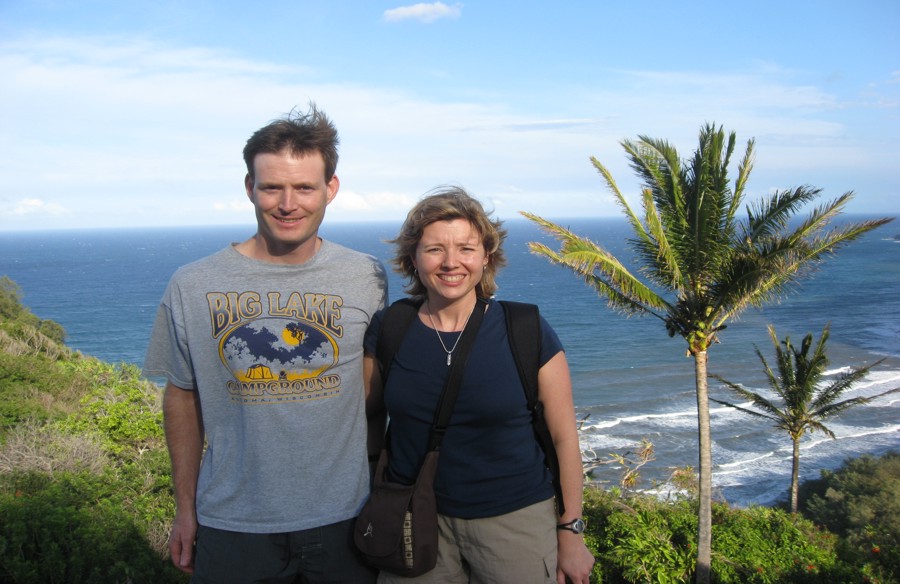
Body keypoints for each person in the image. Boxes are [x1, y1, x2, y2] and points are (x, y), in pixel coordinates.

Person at [144, 104, 387, 583]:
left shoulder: (366, 276)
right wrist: (185, 509)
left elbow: (369, 395)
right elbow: (182, 398)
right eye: (272, 187)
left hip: (345, 517)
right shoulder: (192, 284)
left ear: (331, 188)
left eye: (305, 188)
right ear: (249, 187)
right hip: (232, 523)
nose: (288, 203)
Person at [364, 187, 595, 584]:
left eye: (466, 249)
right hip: (413, 516)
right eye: (434, 249)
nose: (451, 262)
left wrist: (571, 530)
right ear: (413, 258)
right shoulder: (391, 328)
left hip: (514, 521)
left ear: (486, 256)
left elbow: (564, 437)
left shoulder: (525, 329)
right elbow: (368, 415)